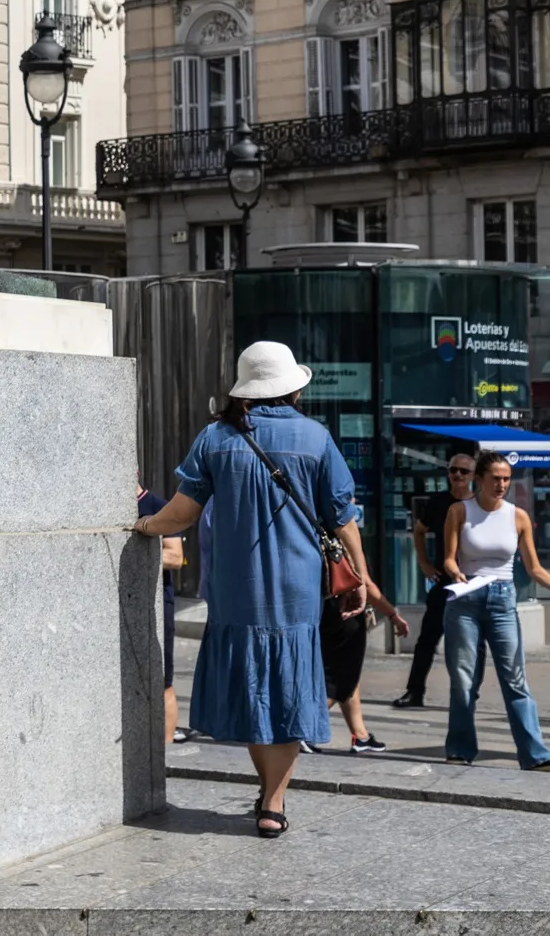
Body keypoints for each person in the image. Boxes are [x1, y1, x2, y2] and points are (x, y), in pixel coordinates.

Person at [134, 341, 372, 839]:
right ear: (293, 388)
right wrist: (363, 577)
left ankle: (268, 795)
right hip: (297, 590)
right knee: (285, 693)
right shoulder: (315, 437)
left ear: (243, 389)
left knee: (255, 694)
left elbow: (180, 514)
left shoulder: (216, 438)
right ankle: (274, 800)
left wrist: (141, 526)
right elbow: (344, 518)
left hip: (237, 590)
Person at [440, 452, 550, 770]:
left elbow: (535, 569)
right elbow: (448, 557)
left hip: (503, 599)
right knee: (463, 680)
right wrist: (454, 571)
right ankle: (460, 749)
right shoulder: (459, 511)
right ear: (480, 479)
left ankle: (534, 754)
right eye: (495, 478)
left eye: (506, 478)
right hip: (465, 599)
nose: (502, 484)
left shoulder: (518, 516)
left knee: (515, 679)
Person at [394, 452, 479, 709]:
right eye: (454, 470)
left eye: (464, 471)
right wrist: (425, 564)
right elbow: (419, 531)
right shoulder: (439, 502)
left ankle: (468, 694)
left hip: (472, 581)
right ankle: (414, 691)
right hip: (445, 581)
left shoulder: (479, 505)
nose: (458, 475)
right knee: (427, 639)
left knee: (469, 643)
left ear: (473, 476)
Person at [322, 578, 409, 755]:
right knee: (339, 682)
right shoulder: (350, 548)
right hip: (347, 613)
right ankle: (301, 729)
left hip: (325, 611)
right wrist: (393, 615)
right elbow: (364, 583)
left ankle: (361, 735)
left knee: (349, 677)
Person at [135, 485, 183, 746]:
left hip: (157, 602)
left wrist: (134, 553)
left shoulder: (157, 506)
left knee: (163, 680)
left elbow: (175, 556)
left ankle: (166, 751)